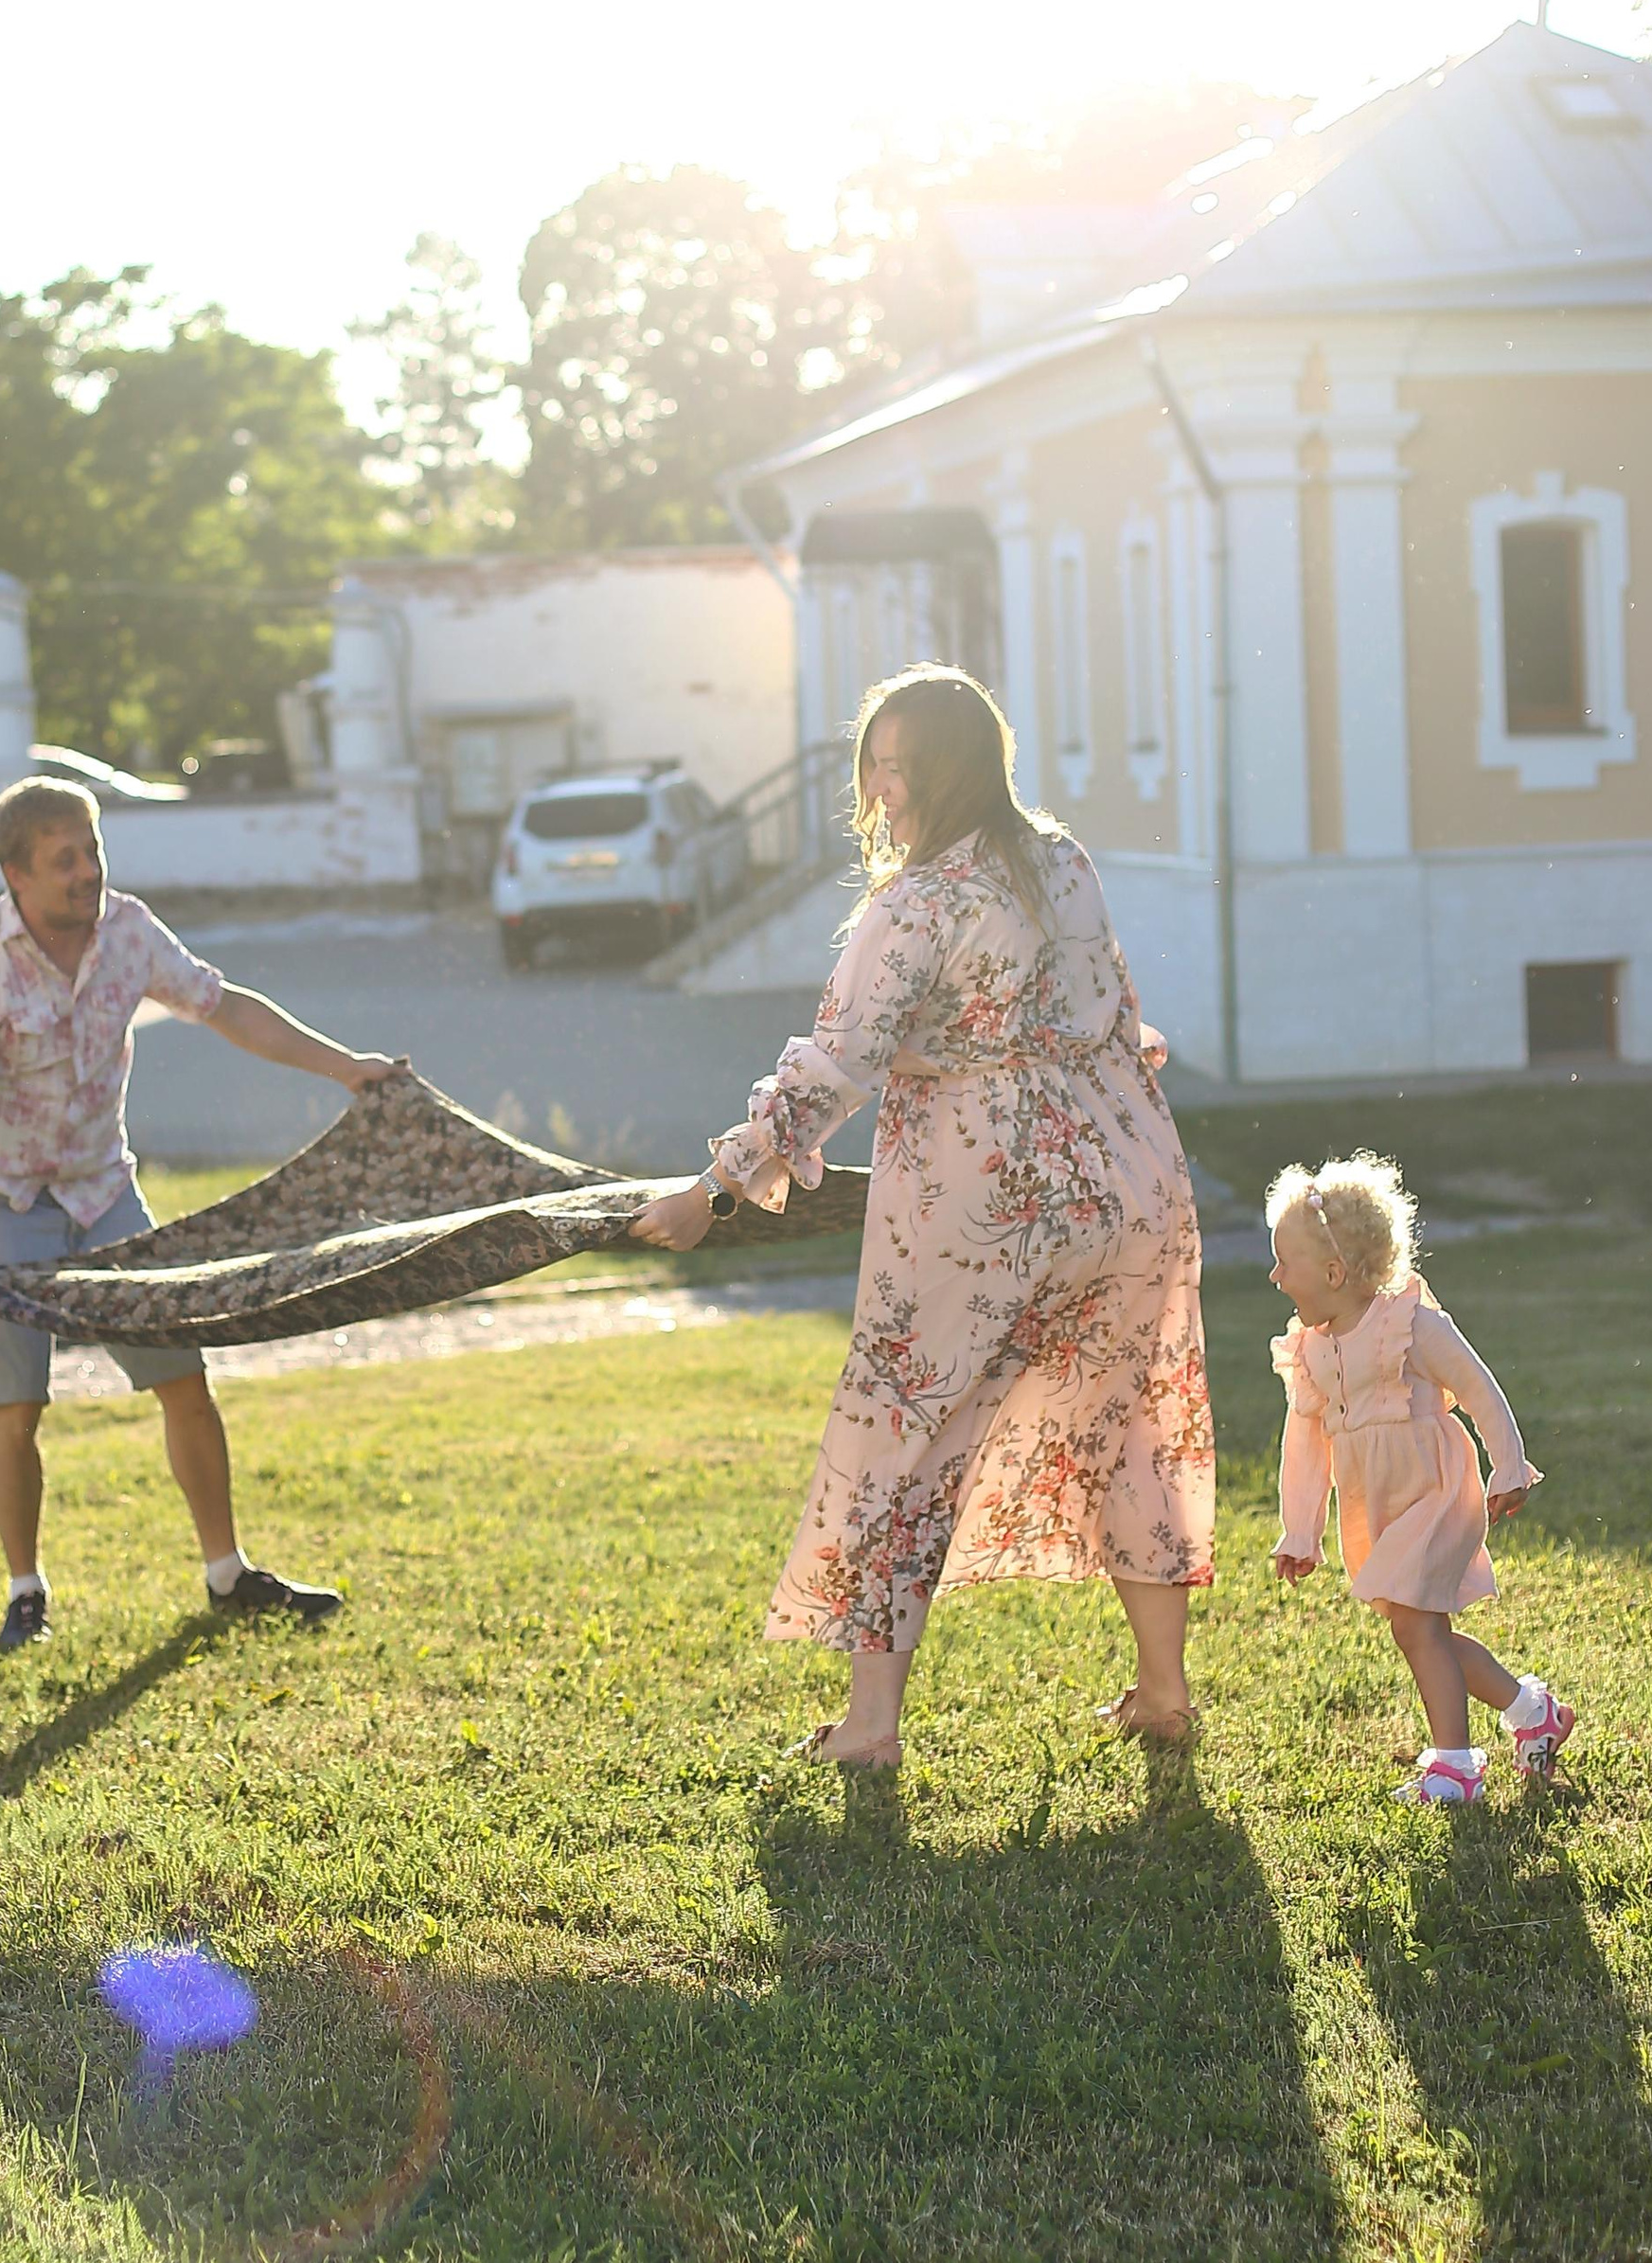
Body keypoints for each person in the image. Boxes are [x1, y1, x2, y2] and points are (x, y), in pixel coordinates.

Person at [631, 665, 1215, 1762]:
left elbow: (836, 1066)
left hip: (983, 1204)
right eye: (874, 764)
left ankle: (871, 1725)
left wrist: (713, 1188)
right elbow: (1122, 1014)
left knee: (901, 1438)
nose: (884, 788)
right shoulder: (1062, 859)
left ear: (954, 768)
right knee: (1130, 1421)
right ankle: (1162, 1691)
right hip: (1127, 1183)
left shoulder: (917, 903)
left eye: (903, 767)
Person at [0, 773, 406, 1648]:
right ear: (14, 873)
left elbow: (230, 1011)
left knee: (184, 1380)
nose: (86, 872)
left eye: (93, 851)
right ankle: (25, 1595)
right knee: (15, 1405)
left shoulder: (130, 934)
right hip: (4, 1198)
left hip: (104, 1189)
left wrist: (348, 1066)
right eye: (63, 860)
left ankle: (228, 1574)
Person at [1267, 1152, 1572, 1807]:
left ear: (1333, 1271)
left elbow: (1478, 1389)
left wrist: (1508, 1466)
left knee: (1416, 1630)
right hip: (1375, 1505)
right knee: (1422, 1631)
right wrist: (1300, 1530)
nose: (1273, 1275)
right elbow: (1304, 1444)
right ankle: (1531, 1712)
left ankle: (1456, 1770)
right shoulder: (1312, 1349)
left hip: (1435, 1493)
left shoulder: (1409, 1325)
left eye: (1283, 1261)